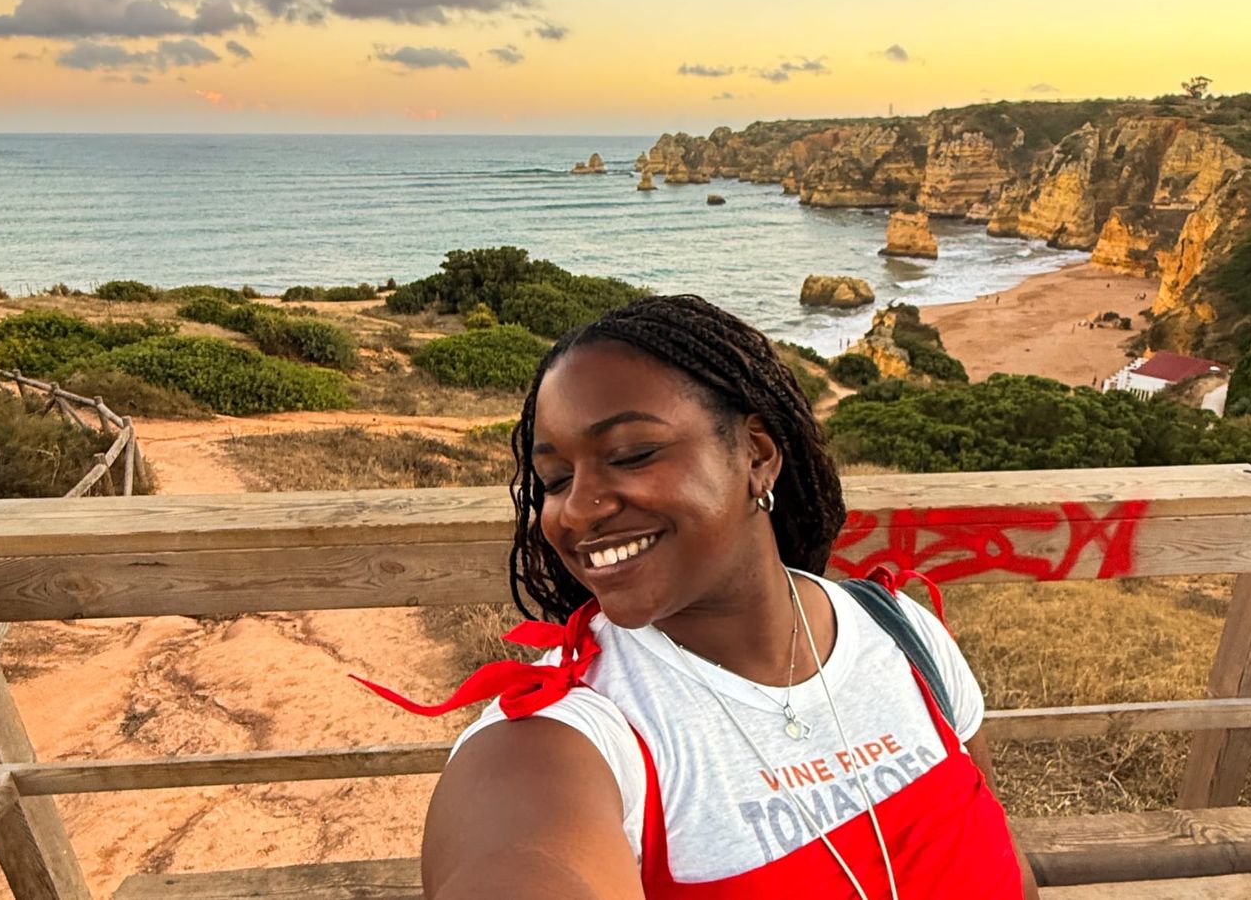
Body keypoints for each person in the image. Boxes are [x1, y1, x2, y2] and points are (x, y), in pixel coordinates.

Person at [392, 295, 1037, 899]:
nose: (577, 510)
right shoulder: (564, 738)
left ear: (756, 456)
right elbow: (521, 854)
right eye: (556, 479)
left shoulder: (901, 634)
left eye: (632, 453)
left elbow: (1005, 860)